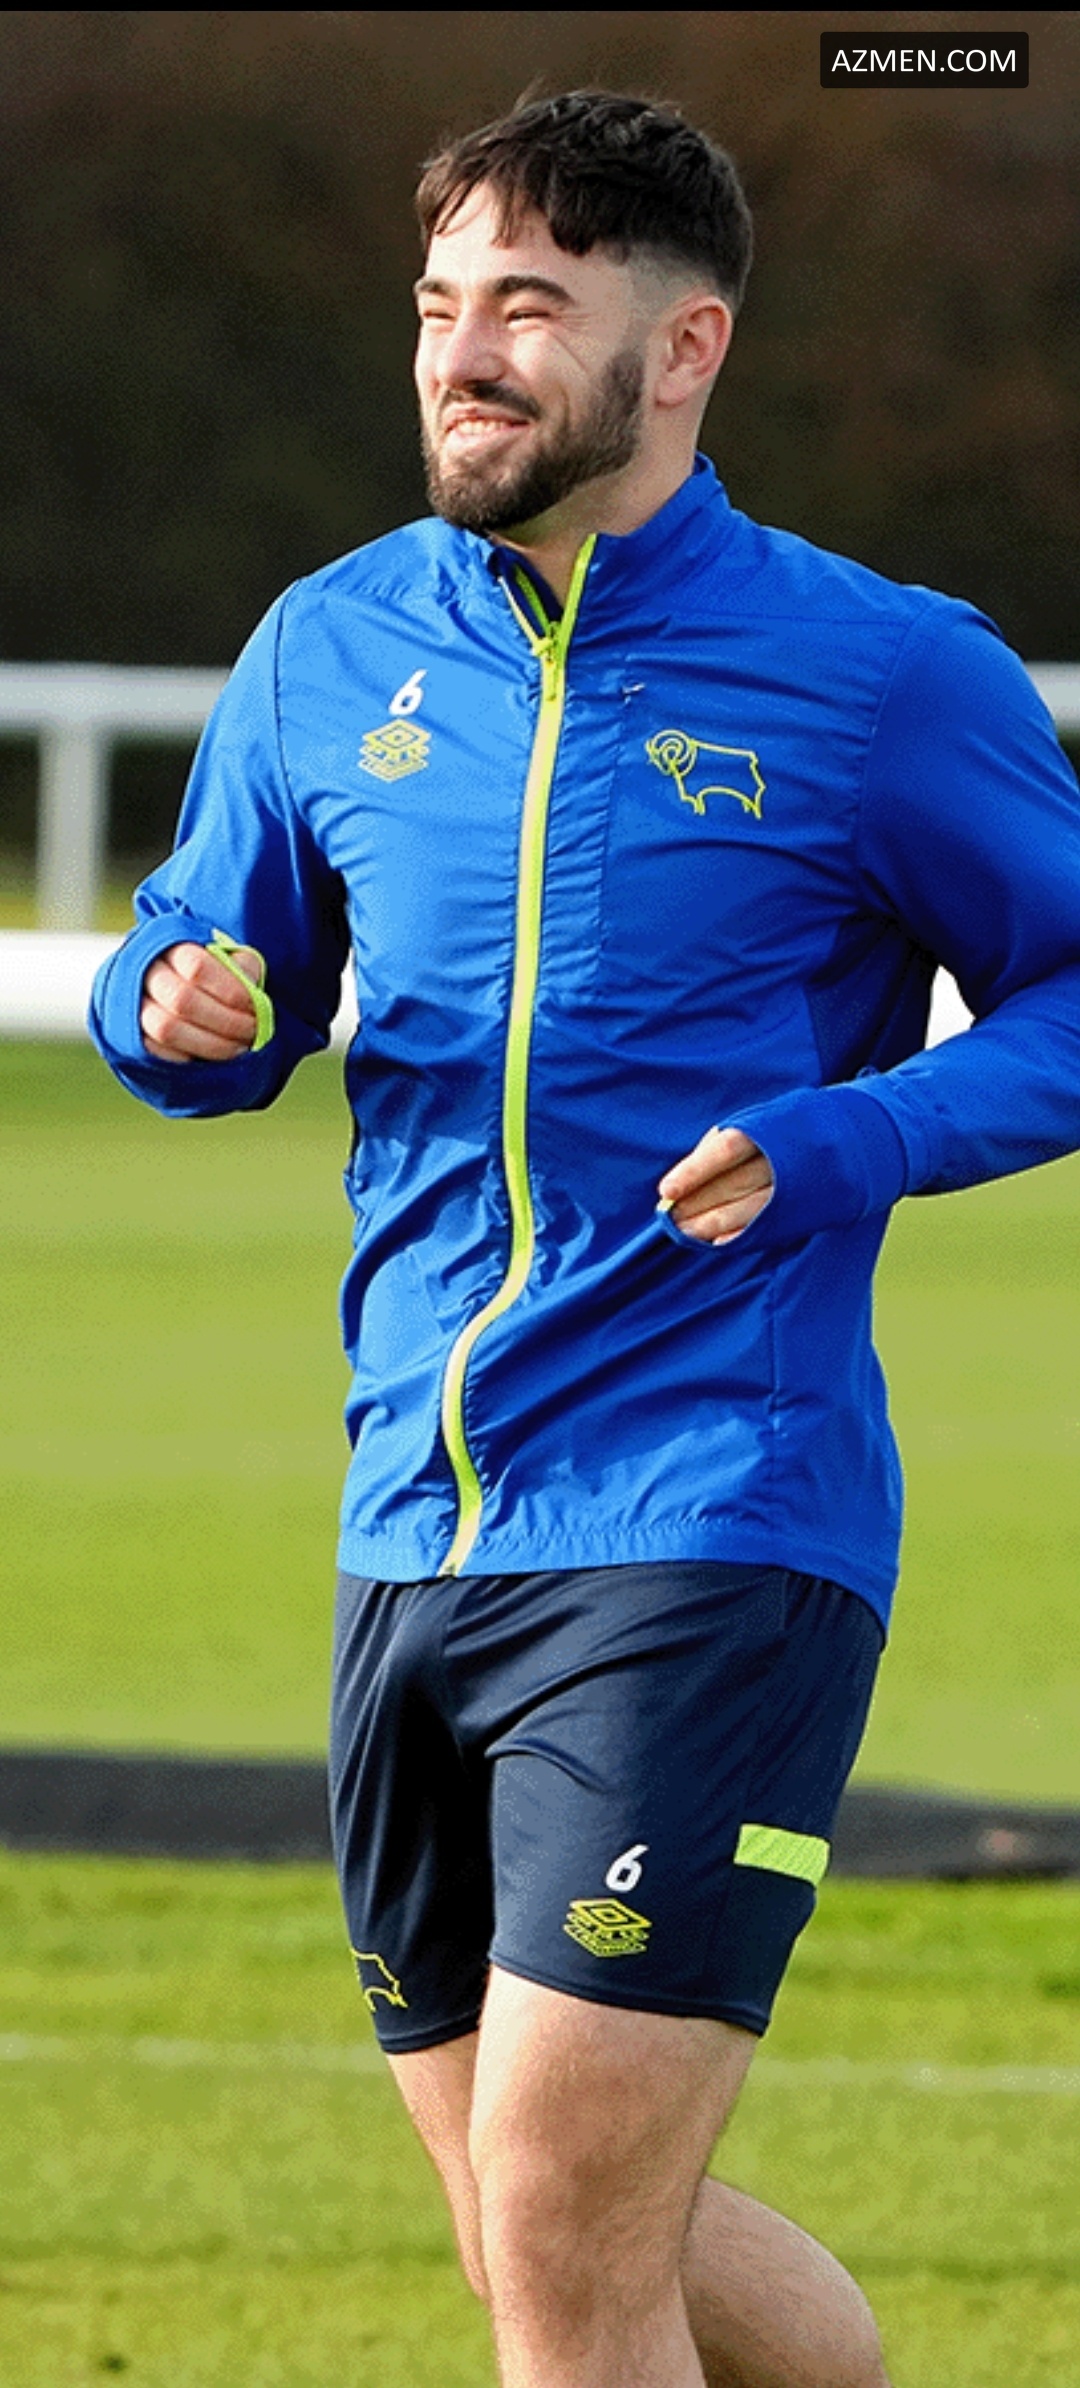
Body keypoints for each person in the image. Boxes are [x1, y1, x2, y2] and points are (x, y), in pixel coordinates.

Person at [90, 88, 1080, 2388]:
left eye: (531, 306)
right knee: (542, 2229)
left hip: (715, 1511)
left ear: (687, 344)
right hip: (411, 1521)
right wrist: (177, 1000)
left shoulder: (880, 672)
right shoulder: (329, 646)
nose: (464, 353)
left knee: (556, 2221)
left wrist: (858, 1136)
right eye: (440, 304)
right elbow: (204, 964)